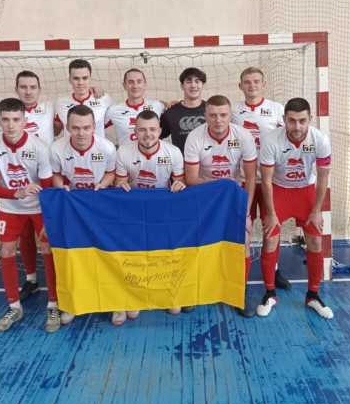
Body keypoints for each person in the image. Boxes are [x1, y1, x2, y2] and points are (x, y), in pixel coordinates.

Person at [0, 98, 60, 333]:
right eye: (6, 119)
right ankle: (14, 307)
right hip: (10, 206)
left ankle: (53, 305)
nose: (11, 125)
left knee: (47, 248)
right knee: (6, 250)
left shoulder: (39, 147)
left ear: (25, 121)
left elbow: (47, 187)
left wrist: (49, 218)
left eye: (16, 119)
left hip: (39, 207)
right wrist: (17, 193)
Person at [257, 97, 333, 319]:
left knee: (315, 241)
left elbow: (323, 179)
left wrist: (317, 210)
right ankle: (270, 294)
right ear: (284, 119)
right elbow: (266, 181)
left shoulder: (320, 140)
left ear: (310, 119)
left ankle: (313, 296)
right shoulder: (271, 140)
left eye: (302, 121)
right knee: (270, 239)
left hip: (306, 192)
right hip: (279, 191)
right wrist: (271, 213)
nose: (297, 126)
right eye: (292, 121)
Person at [184, 95, 257, 317]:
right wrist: (221, 185)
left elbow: (250, 178)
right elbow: (191, 178)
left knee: (243, 241)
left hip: (233, 196)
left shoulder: (243, 136)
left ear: (230, 115)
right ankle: (195, 289)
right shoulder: (195, 137)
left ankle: (240, 291)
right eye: (213, 115)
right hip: (204, 195)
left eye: (223, 115)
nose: (218, 120)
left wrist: (246, 212)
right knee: (198, 241)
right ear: (205, 115)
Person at [113, 110, 185, 326]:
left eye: (152, 129)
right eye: (142, 130)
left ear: (160, 131)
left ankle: (167, 291)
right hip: (133, 212)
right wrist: (120, 185)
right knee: (133, 254)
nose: (148, 134)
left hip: (163, 212)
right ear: (135, 131)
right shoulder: (123, 152)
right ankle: (132, 296)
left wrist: (180, 185)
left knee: (165, 252)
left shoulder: (173, 152)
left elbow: (180, 182)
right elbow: (119, 183)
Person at [50, 105, 117, 325]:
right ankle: (73, 303)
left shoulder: (106, 147)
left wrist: (102, 185)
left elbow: (111, 173)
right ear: (67, 127)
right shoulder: (57, 149)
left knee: (107, 253)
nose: (81, 133)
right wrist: (61, 188)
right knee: (75, 256)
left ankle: (114, 301)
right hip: (73, 209)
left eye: (86, 127)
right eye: (76, 128)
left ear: (94, 127)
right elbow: (56, 175)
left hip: (100, 207)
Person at [231, 67, 291, 291]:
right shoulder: (233, 110)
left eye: (256, 81)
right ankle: (238, 275)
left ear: (264, 84)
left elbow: (288, 140)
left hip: (270, 181)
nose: (252, 85)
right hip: (242, 180)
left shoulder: (277, 109)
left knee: (271, 227)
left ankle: (274, 270)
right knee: (242, 228)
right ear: (240, 86)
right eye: (247, 82)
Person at [13, 70, 55, 303]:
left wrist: (95, 91)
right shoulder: (9, 116)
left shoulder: (50, 108)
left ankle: (57, 284)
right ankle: (31, 280)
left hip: (46, 183)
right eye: (23, 87)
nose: (28, 91)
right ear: (16, 89)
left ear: (39, 89)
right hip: (20, 185)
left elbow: (65, 123)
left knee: (48, 235)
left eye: (32, 87)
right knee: (26, 234)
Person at [54, 59, 113, 139]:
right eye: (76, 78)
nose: (80, 83)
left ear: (90, 79)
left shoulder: (104, 99)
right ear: (70, 80)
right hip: (70, 147)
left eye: (85, 78)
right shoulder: (61, 103)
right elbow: (55, 131)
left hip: (97, 146)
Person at [105, 69, 164, 146]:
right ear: (124, 85)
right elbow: (94, 126)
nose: (135, 86)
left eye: (139, 82)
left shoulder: (157, 106)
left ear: (145, 84)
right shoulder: (114, 110)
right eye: (131, 82)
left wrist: (175, 102)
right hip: (125, 153)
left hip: (151, 153)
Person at [160, 67, 207, 154]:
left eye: (197, 81)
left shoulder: (212, 110)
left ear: (203, 85)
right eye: (188, 82)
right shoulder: (171, 112)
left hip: (208, 161)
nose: (193, 85)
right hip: (181, 161)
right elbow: (158, 137)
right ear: (182, 86)